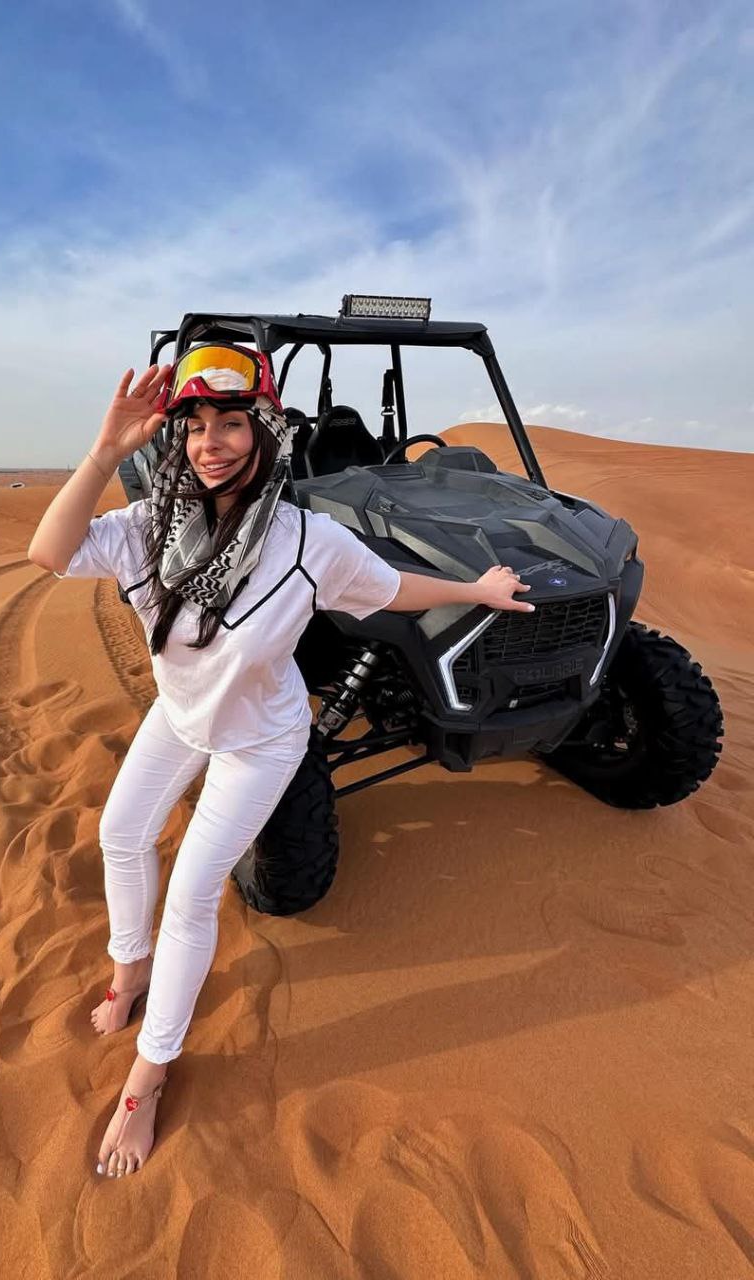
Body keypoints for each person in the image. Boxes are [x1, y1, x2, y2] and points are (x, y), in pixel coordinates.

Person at [26, 343, 533, 1179]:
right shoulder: (150, 525)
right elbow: (49, 552)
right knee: (120, 834)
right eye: (196, 425)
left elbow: (393, 587)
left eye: (232, 423)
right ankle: (129, 971)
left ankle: (148, 1076)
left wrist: (476, 591)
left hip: (259, 742)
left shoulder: (307, 540)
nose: (211, 442)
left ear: (264, 432)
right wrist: (105, 452)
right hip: (180, 717)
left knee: (192, 894)